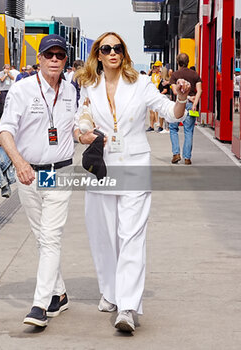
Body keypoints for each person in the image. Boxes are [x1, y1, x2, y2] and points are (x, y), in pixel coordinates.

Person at [75, 32, 190, 333]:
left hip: (135, 165)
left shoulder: (141, 85)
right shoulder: (90, 85)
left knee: (131, 236)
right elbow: (81, 119)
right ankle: (110, 292)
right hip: (102, 167)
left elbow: (171, 114)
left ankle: (127, 306)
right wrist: (83, 133)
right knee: (102, 234)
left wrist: (180, 97)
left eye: (118, 48)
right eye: (106, 48)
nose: (112, 53)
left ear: (124, 53)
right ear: (98, 54)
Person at [0, 34, 77, 328]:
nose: (54, 60)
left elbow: (75, 127)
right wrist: (19, 163)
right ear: (39, 59)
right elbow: (5, 130)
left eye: (60, 55)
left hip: (60, 172)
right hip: (29, 173)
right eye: (49, 55)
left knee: (51, 236)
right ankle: (60, 293)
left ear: (66, 60)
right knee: (42, 237)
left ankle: (40, 305)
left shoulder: (71, 91)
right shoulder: (22, 90)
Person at [169, 53, 202, 165]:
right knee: (188, 131)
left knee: (173, 128)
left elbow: (175, 91)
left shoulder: (175, 75)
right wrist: (194, 103)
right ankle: (187, 158)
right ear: (188, 62)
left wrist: (185, 97)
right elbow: (200, 90)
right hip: (190, 105)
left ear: (178, 62)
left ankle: (176, 154)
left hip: (178, 105)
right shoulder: (195, 74)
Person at [146, 60, 162, 132]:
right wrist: (149, 73)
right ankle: (151, 126)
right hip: (152, 93)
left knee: (159, 110)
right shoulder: (152, 74)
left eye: (157, 66)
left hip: (159, 93)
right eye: (155, 66)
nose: (155, 68)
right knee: (151, 111)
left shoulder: (160, 75)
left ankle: (160, 125)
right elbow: (146, 80)